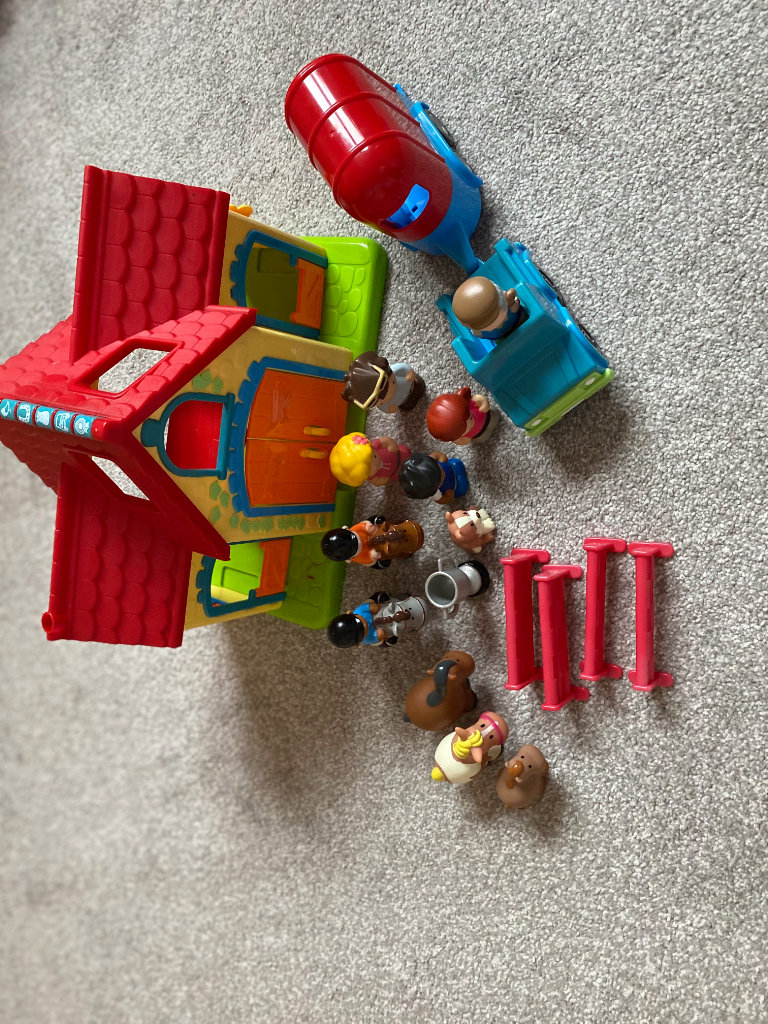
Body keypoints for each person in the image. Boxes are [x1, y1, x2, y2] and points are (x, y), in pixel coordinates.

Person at [341, 351, 425, 414]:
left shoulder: (395, 371)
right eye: (379, 401)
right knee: (408, 406)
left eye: (390, 384)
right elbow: (386, 408)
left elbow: (404, 368)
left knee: (419, 384)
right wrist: (390, 408)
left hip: (413, 386)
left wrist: (409, 374)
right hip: (404, 402)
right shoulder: (382, 404)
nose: (389, 395)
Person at [451, 276, 525, 340]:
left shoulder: (479, 331)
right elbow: (515, 306)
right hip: (513, 326)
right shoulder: (508, 307)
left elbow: (479, 335)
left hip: (507, 331)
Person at [329, 432, 411, 487]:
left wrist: (391, 445)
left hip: (399, 454)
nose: (375, 466)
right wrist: (382, 480)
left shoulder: (375, 446)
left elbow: (385, 441)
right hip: (395, 472)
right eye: (368, 473)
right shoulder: (372, 477)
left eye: (374, 456)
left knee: (406, 452)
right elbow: (380, 481)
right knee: (403, 476)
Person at [426, 387, 499, 445]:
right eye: (465, 429)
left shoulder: (467, 404)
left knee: (495, 417)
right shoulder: (457, 436)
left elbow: (480, 400)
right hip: (478, 434)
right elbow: (465, 441)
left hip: (487, 417)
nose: (471, 422)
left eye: (470, 417)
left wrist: (484, 406)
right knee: (483, 437)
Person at [398, 452, 469, 505]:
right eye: (440, 479)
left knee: (456, 462)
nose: (443, 474)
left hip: (451, 466)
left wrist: (442, 458)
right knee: (462, 487)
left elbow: (437, 454)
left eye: (440, 469)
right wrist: (448, 497)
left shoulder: (430, 462)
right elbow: (441, 500)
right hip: (454, 484)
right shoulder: (434, 493)